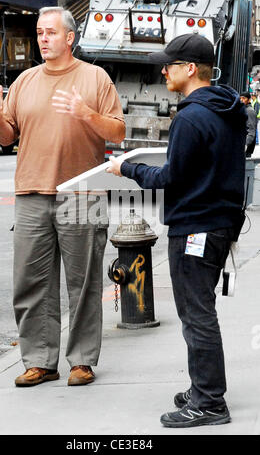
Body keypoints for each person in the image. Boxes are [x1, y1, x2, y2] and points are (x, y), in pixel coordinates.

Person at [106, 33, 246, 428]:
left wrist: (126, 168)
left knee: (197, 315)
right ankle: (203, 388)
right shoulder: (230, 109)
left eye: (169, 64)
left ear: (189, 69)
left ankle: (209, 402)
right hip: (220, 223)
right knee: (201, 311)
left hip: (195, 228)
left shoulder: (190, 116)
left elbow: (170, 177)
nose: (162, 70)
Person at [0, 7, 125, 388]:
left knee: (83, 284)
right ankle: (39, 361)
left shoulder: (95, 78)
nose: (43, 39)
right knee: (31, 282)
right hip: (32, 192)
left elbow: (117, 131)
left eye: (50, 32)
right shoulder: (25, 81)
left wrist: (85, 114)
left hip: (83, 191)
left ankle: (81, 360)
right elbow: (6, 138)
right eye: (38, 33)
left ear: (69, 38)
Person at [240, 91, 257, 158]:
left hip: (246, 147)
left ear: (249, 99)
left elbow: (251, 130)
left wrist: (246, 144)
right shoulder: (243, 109)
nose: (241, 100)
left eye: (244, 98)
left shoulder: (249, 111)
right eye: (240, 98)